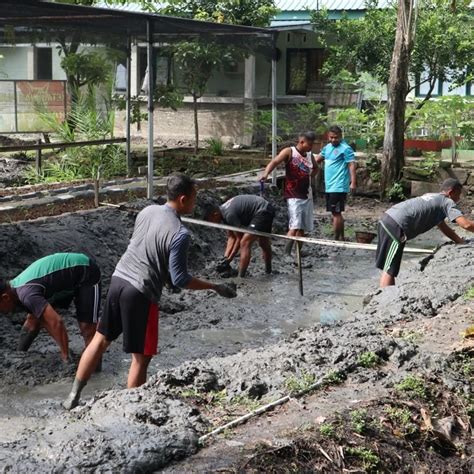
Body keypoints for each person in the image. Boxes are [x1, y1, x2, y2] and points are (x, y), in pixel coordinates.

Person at [63, 173, 237, 410]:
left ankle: (73, 396)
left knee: (100, 340)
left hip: (118, 279)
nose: (195, 204)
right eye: (194, 198)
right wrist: (215, 287)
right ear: (183, 199)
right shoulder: (180, 234)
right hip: (140, 292)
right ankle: (132, 409)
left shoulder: (147, 211)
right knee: (141, 357)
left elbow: (142, 246)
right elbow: (180, 279)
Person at [0, 253, 101, 362]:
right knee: (33, 319)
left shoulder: (26, 295)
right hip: (65, 278)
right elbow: (31, 325)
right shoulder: (18, 289)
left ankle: (95, 367)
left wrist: (65, 356)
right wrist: (19, 357)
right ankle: (19, 354)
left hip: (86, 271)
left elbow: (56, 323)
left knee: (87, 327)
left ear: (5, 297)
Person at [376, 178, 474, 287]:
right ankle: (385, 298)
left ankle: (385, 296)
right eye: (458, 195)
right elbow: (466, 224)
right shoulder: (447, 201)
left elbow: (443, 226)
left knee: (389, 266)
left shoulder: (432, 197)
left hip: (388, 218)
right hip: (396, 225)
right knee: (390, 269)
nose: (458, 199)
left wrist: (459, 241)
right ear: (450, 193)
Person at [260, 131, 318, 255]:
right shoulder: (289, 151)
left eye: (312, 145)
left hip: (307, 195)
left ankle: (298, 252)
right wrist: (266, 173)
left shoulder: (310, 155)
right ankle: (286, 253)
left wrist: (310, 176)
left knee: (302, 228)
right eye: (309, 145)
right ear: (301, 142)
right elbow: (275, 162)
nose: (310, 147)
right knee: (294, 226)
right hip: (293, 195)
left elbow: (316, 168)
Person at [204, 195, 275, 278]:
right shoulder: (223, 212)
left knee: (245, 242)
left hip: (262, 211)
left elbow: (239, 238)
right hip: (264, 208)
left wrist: (230, 259)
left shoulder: (229, 215)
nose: (213, 225)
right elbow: (231, 237)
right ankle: (268, 271)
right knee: (263, 243)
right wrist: (225, 258)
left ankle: (241, 277)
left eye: (211, 222)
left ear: (215, 215)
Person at [316, 125, 356, 241]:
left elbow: (351, 165)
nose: (334, 140)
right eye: (331, 137)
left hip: (338, 186)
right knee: (336, 212)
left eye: (336, 137)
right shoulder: (327, 148)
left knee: (335, 213)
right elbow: (317, 159)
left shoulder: (346, 148)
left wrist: (353, 182)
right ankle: (341, 237)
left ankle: (336, 238)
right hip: (329, 185)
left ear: (341, 136)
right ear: (328, 136)